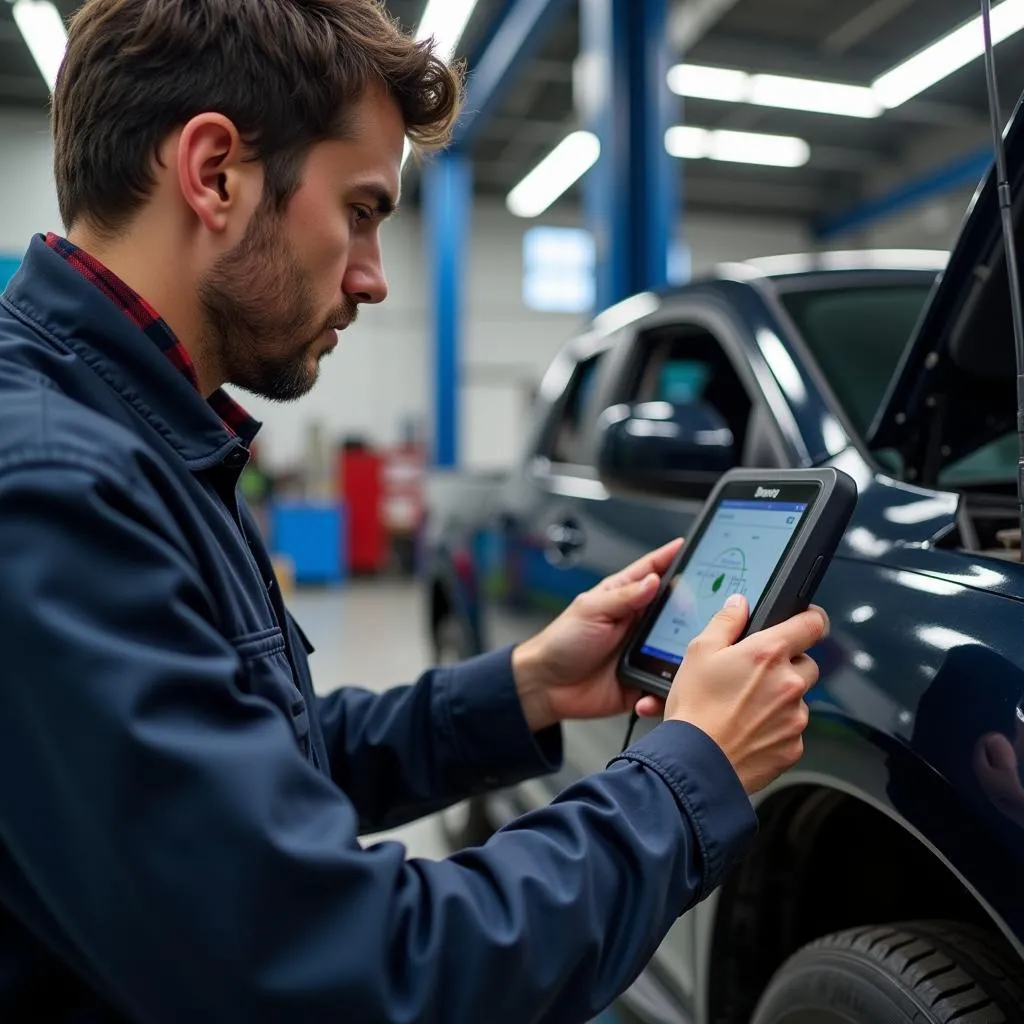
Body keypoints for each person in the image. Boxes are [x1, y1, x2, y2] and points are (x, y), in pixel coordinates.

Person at [0, 1, 829, 1021]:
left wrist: (522, 686)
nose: (373, 277)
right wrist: (685, 777)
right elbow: (357, 975)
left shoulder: (132, 437)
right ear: (214, 173)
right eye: (359, 209)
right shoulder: (51, 489)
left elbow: (251, 767)